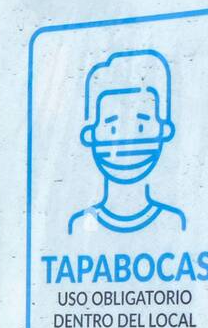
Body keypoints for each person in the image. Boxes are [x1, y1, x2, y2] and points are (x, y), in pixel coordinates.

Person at [68, 49, 185, 235]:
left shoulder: (174, 223)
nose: (126, 145)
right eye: (111, 128)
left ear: (165, 130)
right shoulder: (79, 226)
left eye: (141, 127)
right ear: (90, 135)